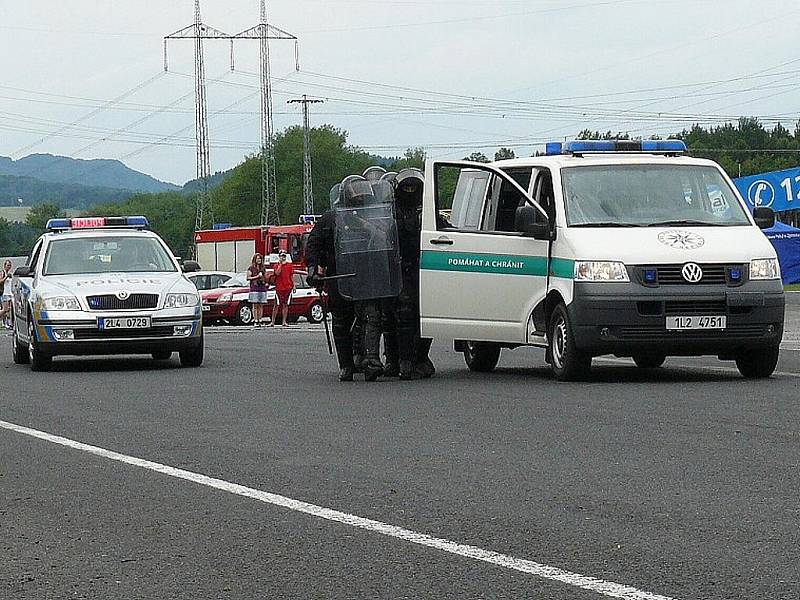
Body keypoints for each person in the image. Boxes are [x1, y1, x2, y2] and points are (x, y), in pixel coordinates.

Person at [306, 185, 357, 381]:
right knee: (341, 321)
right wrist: (313, 269)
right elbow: (313, 245)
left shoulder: (367, 217)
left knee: (371, 319)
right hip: (339, 276)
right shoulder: (329, 219)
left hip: (365, 276)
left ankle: (368, 358)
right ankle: (346, 364)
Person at [393, 168, 437, 380]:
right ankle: (402, 361)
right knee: (403, 315)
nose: (410, 191)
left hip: (424, 269)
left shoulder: (428, 212)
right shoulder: (390, 212)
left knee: (426, 313)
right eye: (406, 188)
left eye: (414, 188)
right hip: (399, 269)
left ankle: (420, 357)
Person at [271, 250, 295, 327]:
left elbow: (291, 276)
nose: (283, 257)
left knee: (285, 304)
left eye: (284, 256)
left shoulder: (290, 265)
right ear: (279, 256)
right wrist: (280, 264)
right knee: (276, 304)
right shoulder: (276, 265)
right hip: (279, 288)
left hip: (288, 287)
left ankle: (284, 321)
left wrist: (293, 285)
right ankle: (273, 322)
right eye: (281, 256)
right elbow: (277, 273)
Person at [246, 253, 268, 326]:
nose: (259, 260)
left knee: (261, 305)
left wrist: (265, 280)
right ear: (255, 260)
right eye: (257, 259)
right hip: (254, 288)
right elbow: (248, 278)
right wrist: (257, 277)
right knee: (255, 304)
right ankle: (255, 320)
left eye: (260, 259)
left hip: (262, 288)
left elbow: (266, 277)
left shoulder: (263, 268)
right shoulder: (251, 268)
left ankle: (260, 319)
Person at [0, 260, 12, 329]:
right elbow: (0, 281)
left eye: (10, 265)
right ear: (4, 266)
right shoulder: (2, 273)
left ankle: (5, 323)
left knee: (8, 310)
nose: (9, 267)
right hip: (4, 293)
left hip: (9, 293)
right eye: (8, 265)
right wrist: (6, 277)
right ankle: (5, 323)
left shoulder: (9, 273)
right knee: (4, 309)